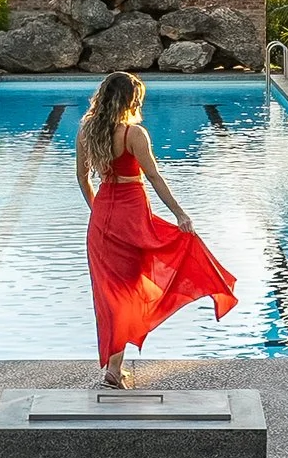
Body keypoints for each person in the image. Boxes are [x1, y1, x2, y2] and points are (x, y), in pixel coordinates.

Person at [75, 69, 238, 387]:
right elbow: (154, 177)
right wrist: (180, 214)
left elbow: (83, 178)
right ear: (130, 100)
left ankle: (113, 365)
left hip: (102, 219)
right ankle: (113, 369)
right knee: (130, 291)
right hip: (132, 217)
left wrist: (99, 211)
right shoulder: (133, 134)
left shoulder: (85, 130)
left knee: (108, 296)